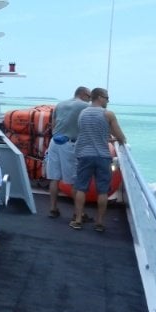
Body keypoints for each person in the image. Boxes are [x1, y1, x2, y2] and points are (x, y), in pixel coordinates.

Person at [69, 88, 127, 233]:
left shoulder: (83, 113)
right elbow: (120, 136)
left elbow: (88, 132)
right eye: (107, 98)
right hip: (102, 156)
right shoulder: (108, 114)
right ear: (99, 97)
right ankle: (99, 223)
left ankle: (77, 220)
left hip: (84, 155)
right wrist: (118, 139)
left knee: (81, 188)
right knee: (102, 191)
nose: (108, 100)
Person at [45, 86, 91, 218]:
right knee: (73, 181)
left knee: (54, 178)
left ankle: (53, 209)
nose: (89, 100)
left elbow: (54, 125)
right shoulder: (84, 106)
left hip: (54, 143)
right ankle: (79, 213)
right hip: (69, 144)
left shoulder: (60, 104)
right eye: (88, 97)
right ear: (83, 94)